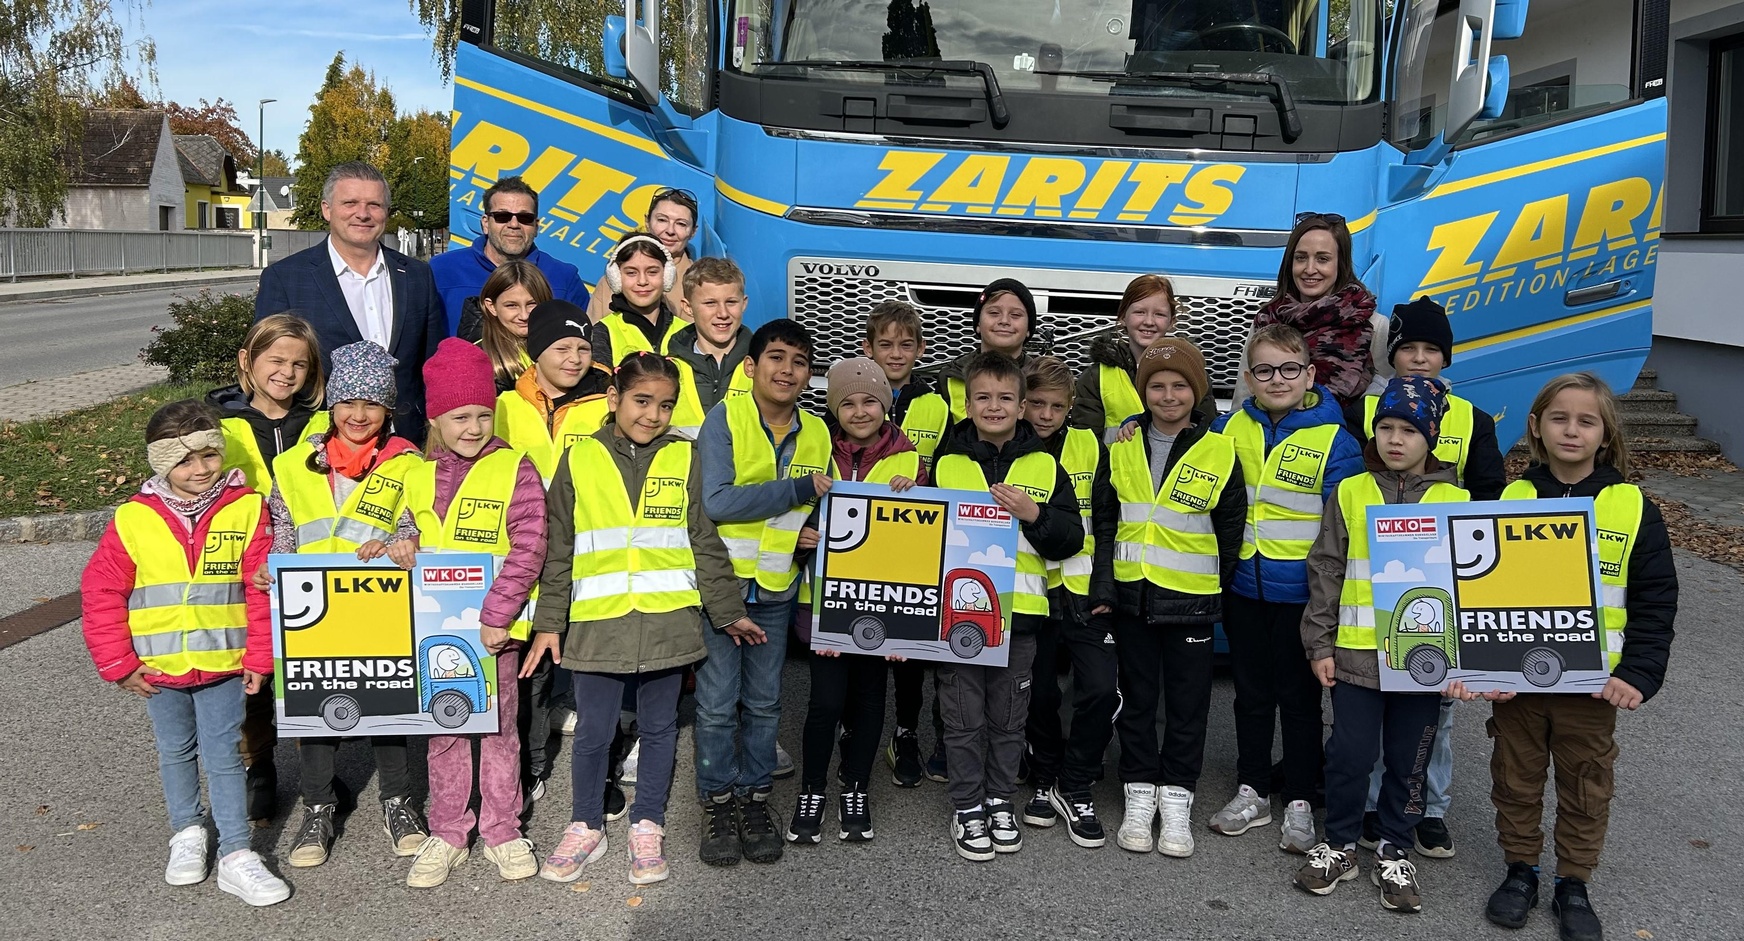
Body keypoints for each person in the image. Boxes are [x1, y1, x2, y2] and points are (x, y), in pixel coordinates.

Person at [524, 352, 751, 886]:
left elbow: (703, 540)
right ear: (613, 399)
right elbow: (559, 548)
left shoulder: (686, 457)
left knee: (659, 727)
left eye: (665, 405)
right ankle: (585, 824)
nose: (653, 414)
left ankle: (647, 822)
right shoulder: (578, 458)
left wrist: (728, 612)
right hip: (597, 624)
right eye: (642, 401)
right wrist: (550, 622)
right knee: (594, 732)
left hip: (668, 619)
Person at [1485, 372, 1677, 941]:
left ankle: (1574, 880)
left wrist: (1639, 673)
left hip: (1593, 687)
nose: (1572, 429)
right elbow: (1479, 593)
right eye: (1559, 418)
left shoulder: (1632, 506)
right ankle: (1521, 870)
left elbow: (1654, 599)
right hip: (1518, 682)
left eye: (1586, 420)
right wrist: (1482, 665)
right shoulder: (1512, 498)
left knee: (1585, 785)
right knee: (1515, 780)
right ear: (1537, 428)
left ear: (1605, 432)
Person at [79, 399, 291, 907]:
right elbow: (101, 590)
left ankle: (238, 854)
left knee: (223, 754)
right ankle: (187, 833)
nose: (199, 470)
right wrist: (118, 664)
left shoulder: (245, 507)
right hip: (157, 667)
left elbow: (260, 589)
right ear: (161, 463)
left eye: (208, 455)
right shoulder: (133, 518)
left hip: (224, 663)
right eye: (183, 460)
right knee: (175, 751)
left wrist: (260, 659)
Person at [1294, 376, 1475, 914]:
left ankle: (1395, 848)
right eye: (1386, 428)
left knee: (1408, 760)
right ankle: (1341, 842)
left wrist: (1469, 661)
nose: (1396, 440)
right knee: (1349, 755)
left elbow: (1471, 585)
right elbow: (1326, 567)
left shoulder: (1455, 499)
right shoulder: (1353, 491)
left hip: (1424, 665)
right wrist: (1318, 644)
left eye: (1410, 430)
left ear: (1432, 437)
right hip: (1354, 658)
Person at [1343, 295, 1507, 858]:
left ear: (1446, 357)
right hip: (1375, 585)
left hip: (1439, 585)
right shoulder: (1366, 412)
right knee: (1367, 717)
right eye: (1407, 348)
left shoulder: (1472, 420)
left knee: (1432, 713)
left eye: (1430, 349)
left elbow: (1489, 505)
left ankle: (1429, 809)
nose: (1417, 358)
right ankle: (1369, 807)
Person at [260, 340, 430, 869]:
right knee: (315, 711)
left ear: (389, 410)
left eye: (373, 405)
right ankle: (318, 806)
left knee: (388, 706)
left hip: (377, 608)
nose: (359, 415)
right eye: (349, 403)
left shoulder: (407, 463)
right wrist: (275, 566)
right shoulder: (291, 467)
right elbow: (282, 530)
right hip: (311, 611)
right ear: (331, 406)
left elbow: (416, 524)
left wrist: (408, 544)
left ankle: (398, 801)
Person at [1209, 323, 1363, 853]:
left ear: (1309, 374)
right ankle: (1252, 790)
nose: (1278, 379)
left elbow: (1342, 528)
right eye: (1265, 370)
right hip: (1243, 587)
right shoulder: (1226, 431)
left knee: (1299, 701)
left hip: (1302, 595)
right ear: (1249, 378)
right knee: (1250, 696)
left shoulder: (1336, 441)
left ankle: (1299, 799)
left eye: (1289, 369)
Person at [399, 339, 546, 888]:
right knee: (445, 731)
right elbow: (401, 528)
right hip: (435, 633)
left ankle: (503, 829)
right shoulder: (414, 472)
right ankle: (448, 831)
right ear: (436, 417)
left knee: (501, 728)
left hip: (493, 631)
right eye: (460, 416)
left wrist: (499, 612)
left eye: (484, 414)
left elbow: (530, 543)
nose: (473, 426)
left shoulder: (515, 468)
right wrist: (401, 540)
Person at [930, 352, 1084, 861]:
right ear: (968, 404)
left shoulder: (1045, 465)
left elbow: (1070, 539)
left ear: (1021, 407)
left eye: (1004, 398)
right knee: (962, 715)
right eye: (983, 397)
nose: (993, 406)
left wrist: (1034, 513)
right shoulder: (947, 463)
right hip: (958, 618)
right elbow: (920, 536)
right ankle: (967, 805)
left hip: (1020, 620)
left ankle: (1000, 799)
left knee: (1009, 717)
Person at [696, 319, 831, 867]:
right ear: (752, 366)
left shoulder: (818, 433)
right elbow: (719, 503)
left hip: (776, 587)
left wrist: (808, 537)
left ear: (808, 375)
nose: (787, 370)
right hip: (724, 589)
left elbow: (825, 510)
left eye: (799, 362)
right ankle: (717, 802)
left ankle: (754, 799)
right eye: (776, 358)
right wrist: (796, 492)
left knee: (764, 704)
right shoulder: (724, 418)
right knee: (715, 705)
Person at [1105, 340, 1246, 859]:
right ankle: (1139, 792)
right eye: (1157, 386)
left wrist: (1213, 587)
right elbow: (1105, 520)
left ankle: (1177, 797)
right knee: (1137, 699)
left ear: (1197, 391)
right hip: (1132, 599)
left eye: (1180, 385)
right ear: (1144, 393)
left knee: (1188, 706)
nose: (1169, 395)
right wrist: (1109, 589)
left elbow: (1230, 530)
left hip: (1191, 601)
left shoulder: (1219, 448)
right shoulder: (1120, 445)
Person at [787, 357, 926, 846]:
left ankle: (856, 786)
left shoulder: (911, 462)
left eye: (871, 400)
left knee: (870, 702)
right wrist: (798, 536)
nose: (861, 410)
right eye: (848, 402)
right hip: (825, 603)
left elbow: (924, 548)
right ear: (834, 409)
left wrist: (919, 494)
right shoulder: (816, 451)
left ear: (886, 404)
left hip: (882, 610)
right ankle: (812, 789)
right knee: (824, 704)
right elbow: (791, 512)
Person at [206, 312, 328, 824]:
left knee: (307, 669)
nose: (286, 372)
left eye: (299, 364)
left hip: (308, 561)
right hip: (244, 569)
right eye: (275, 360)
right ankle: (260, 767)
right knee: (252, 670)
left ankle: (319, 768)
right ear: (247, 363)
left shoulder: (323, 424)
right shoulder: (219, 428)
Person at [254, 161, 447, 444]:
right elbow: (269, 368)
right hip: (323, 444)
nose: (363, 214)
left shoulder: (417, 275)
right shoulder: (285, 278)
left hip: (408, 440)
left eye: (374, 205)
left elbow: (433, 362)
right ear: (326, 209)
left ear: (386, 213)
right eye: (350, 203)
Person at [1014, 357, 1120, 850]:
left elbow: (1104, 522)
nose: (1046, 414)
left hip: (1081, 591)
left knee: (1099, 688)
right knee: (1038, 695)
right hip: (1032, 591)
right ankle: (1046, 777)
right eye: (1036, 403)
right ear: (1021, 402)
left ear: (1072, 407)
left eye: (1057, 406)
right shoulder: (1009, 450)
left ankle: (1075, 784)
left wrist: (1104, 587)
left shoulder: (1088, 446)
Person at [1235, 213, 1384, 411]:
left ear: (1340, 264)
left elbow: (1384, 406)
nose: (1310, 269)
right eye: (1301, 258)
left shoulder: (1373, 325)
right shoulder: (1267, 320)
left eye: (1322, 259)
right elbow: (1243, 400)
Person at [430, 175, 588, 339]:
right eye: (502, 216)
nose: (513, 225)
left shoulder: (564, 278)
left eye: (525, 218)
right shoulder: (441, 270)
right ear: (485, 223)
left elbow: (580, 341)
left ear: (536, 226)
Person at [1072, 274, 1216, 439]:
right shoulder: (1095, 378)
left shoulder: (1195, 373)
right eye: (1140, 312)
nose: (1149, 321)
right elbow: (1085, 444)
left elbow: (1208, 434)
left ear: (1172, 321)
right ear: (1123, 317)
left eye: (1159, 314)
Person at [494, 299, 613, 483]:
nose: (575, 358)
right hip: (522, 509)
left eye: (583, 349)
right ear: (537, 351)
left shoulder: (609, 406)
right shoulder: (504, 405)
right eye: (562, 349)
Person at [667, 257, 754, 437]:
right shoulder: (666, 369)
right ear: (688, 307)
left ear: (744, 303)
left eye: (731, 302)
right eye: (710, 303)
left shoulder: (763, 366)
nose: (723, 313)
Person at [587, 187, 699, 323]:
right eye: (662, 220)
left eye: (681, 224)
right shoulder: (610, 280)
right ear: (647, 222)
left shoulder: (699, 284)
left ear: (693, 232)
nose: (670, 230)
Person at [936, 278, 1035, 421]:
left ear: (1029, 329)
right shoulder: (950, 376)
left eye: (1016, 315)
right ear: (978, 324)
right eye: (994, 313)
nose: (1004, 321)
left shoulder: (1041, 377)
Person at [589, 233, 683, 370]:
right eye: (631, 273)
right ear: (616, 277)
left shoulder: (687, 332)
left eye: (652, 272)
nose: (642, 281)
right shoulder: (603, 332)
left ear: (667, 275)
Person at [476, 260, 553, 393]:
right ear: (491, 307)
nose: (524, 315)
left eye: (532, 304)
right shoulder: (476, 358)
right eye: (511, 305)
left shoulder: (564, 347)